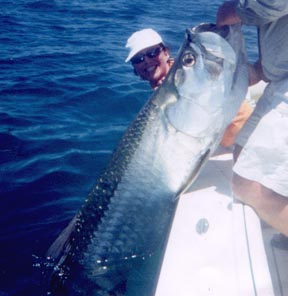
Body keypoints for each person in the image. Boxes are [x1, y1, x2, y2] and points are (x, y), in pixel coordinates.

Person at [216, 1, 288, 237]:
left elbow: (270, 5)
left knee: (250, 186)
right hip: (278, 81)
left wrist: (229, 11)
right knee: (241, 153)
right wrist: (259, 70)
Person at [125, 28, 253, 148]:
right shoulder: (162, 86)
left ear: (166, 52)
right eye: (138, 59)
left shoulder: (186, 77)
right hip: (221, 141)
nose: (146, 60)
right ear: (135, 68)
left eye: (152, 52)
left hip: (244, 135)